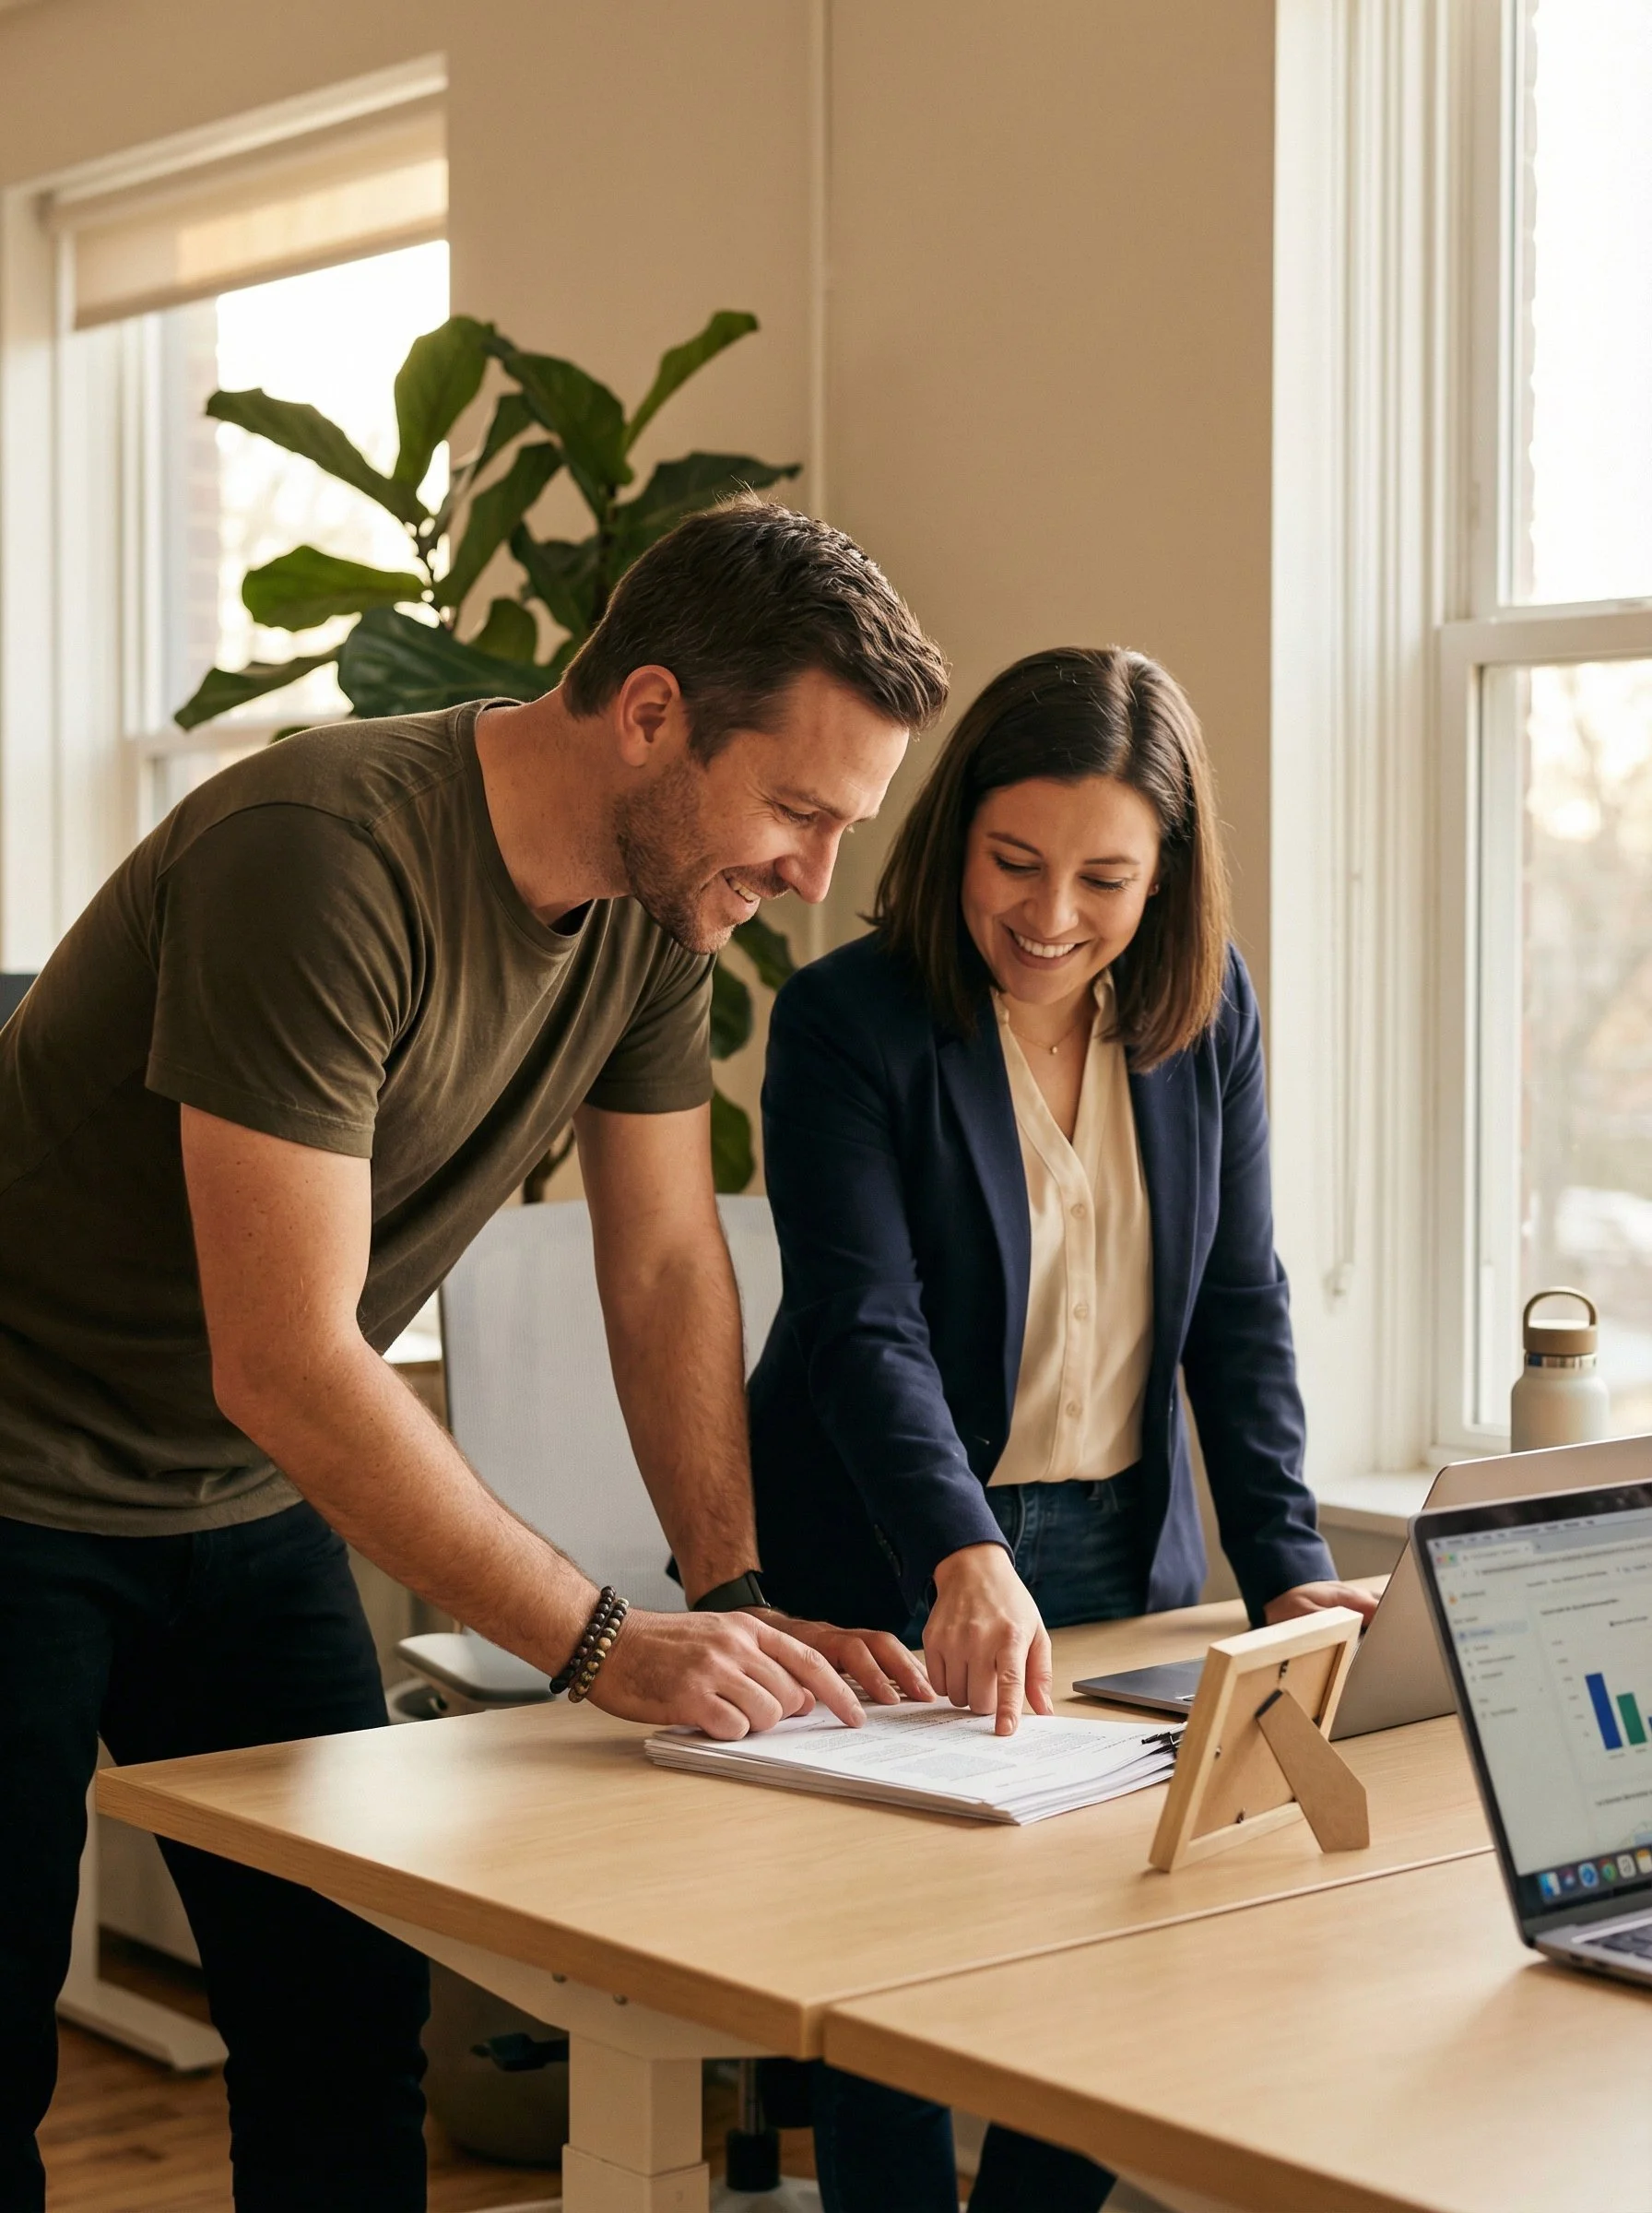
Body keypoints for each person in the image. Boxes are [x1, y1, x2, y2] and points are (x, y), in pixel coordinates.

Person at [0, 497, 949, 2213]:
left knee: (344, 2024)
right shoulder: (321, 855)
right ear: (651, 713)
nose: (816, 877)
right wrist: (601, 1645)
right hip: (15, 1472)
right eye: (799, 811)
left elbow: (662, 1264)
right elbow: (288, 1358)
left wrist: (725, 1595)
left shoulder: (663, 916)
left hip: (231, 1494)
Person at [748, 645, 1377, 2213]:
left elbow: (1240, 1298)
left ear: (1167, 876)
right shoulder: (849, 1021)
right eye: (1015, 863)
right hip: (890, 1543)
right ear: (957, 830)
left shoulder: (1203, 1006)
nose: (1049, 915)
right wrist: (961, 1550)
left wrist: (1285, 1566)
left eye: (1106, 877)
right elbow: (861, 1322)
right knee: (887, 1967)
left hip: (1116, 1542)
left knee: (1116, 1959)